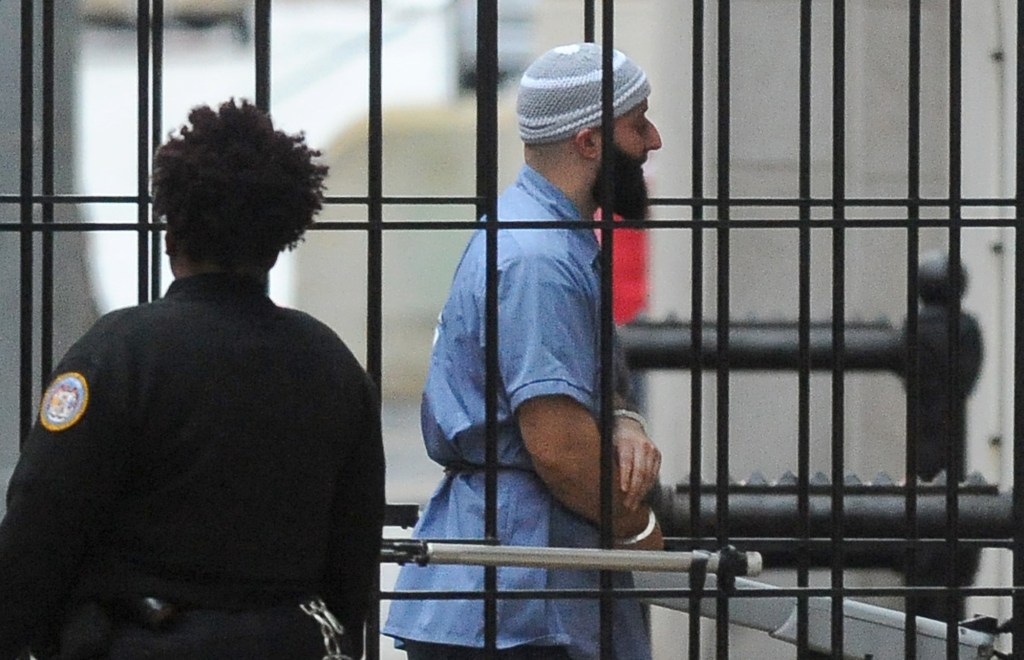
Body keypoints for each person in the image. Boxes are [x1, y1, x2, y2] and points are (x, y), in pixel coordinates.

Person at [0, 99, 386, 660]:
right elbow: (354, 549)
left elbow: (40, 529)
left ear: (170, 233)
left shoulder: (118, 355)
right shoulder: (332, 364)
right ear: (282, 238)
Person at [384, 43, 664, 660]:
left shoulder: (535, 235)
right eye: (637, 122)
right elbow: (560, 448)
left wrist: (619, 420)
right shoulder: (541, 260)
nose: (653, 141)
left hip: (508, 581)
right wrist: (643, 534)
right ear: (589, 142)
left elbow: (579, 385)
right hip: (523, 594)